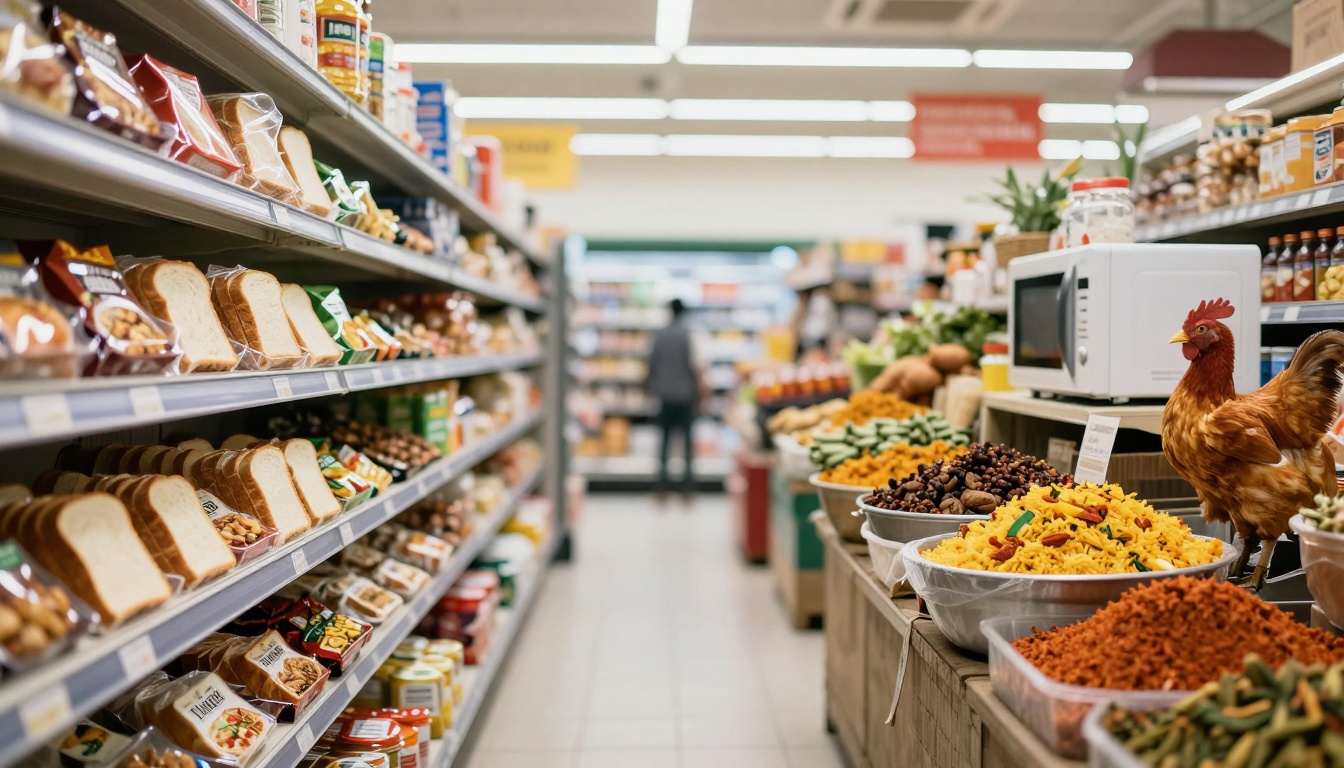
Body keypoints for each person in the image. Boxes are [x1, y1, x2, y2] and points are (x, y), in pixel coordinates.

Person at [646, 298, 702, 499]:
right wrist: (700, 395)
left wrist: (652, 387)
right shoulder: (688, 336)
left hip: (665, 395)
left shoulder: (660, 335)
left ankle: (662, 486)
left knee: (664, 441)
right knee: (686, 442)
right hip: (685, 396)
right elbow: (696, 367)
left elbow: (651, 364)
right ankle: (687, 487)